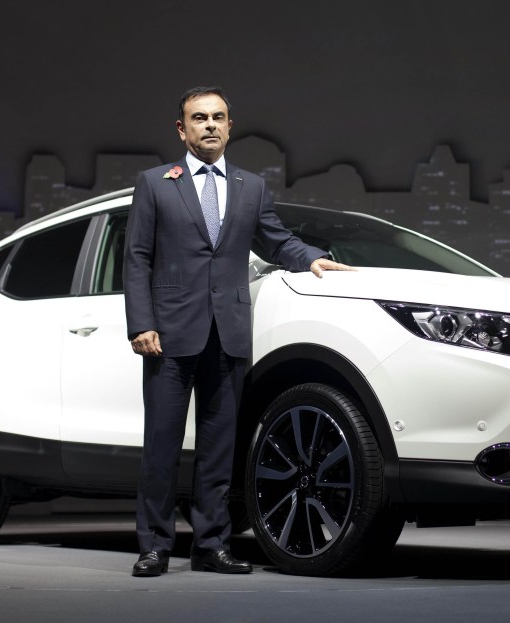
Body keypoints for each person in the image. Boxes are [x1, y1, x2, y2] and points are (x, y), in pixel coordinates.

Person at [123, 86, 352, 576]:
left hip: (228, 333)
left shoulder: (251, 186)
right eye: (199, 118)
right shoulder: (155, 183)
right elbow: (137, 256)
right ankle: (154, 546)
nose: (210, 125)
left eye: (218, 117)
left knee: (219, 449)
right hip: (168, 334)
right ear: (181, 130)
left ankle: (211, 545)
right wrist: (141, 322)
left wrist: (312, 259)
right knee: (161, 446)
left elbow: (275, 239)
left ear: (231, 126)